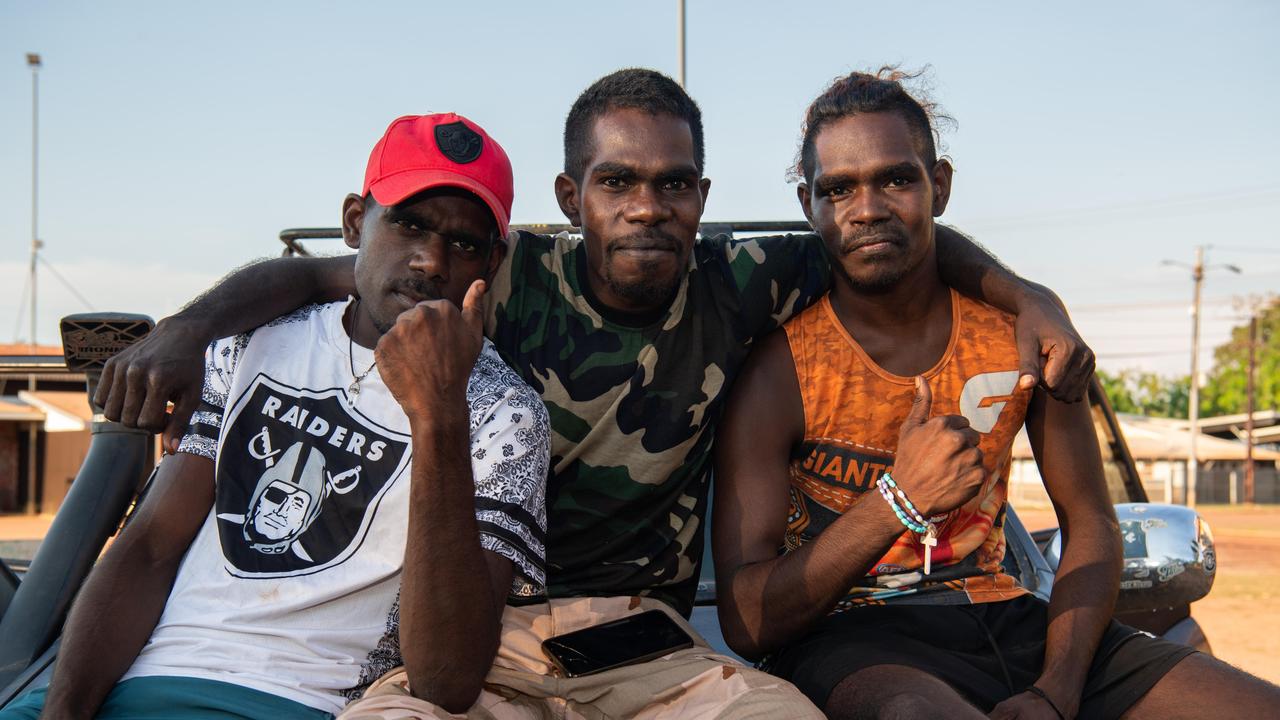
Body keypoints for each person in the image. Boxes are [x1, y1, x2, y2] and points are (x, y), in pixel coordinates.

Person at [94, 69, 1094, 717]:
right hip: (478, 634)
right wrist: (188, 331)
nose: (647, 206)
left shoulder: (745, 276)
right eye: (618, 183)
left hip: (651, 636)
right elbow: (321, 280)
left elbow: (895, 236)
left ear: (701, 196)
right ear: (571, 201)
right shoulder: (494, 271)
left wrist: (1026, 295)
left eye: (673, 183)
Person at [712, 69, 1280, 720]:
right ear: (809, 205)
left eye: (896, 178)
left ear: (941, 186)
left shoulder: (1024, 339)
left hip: (1015, 620)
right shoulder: (780, 370)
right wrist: (901, 500)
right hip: (855, 638)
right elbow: (748, 620)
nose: (867, 207)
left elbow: (1090, 523)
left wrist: (1058, 691)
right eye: (838, 189)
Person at [0, 113, 549, 719]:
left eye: (464, 242)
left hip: (309, 702)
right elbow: (150, 546)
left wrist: (439, 409)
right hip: (145, 679)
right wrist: (64, 710)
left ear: (492, 263)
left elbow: (447, 678)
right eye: (408, 224)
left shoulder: (506, 413)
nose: (430, 260)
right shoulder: (253, 342)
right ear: (353, 223)